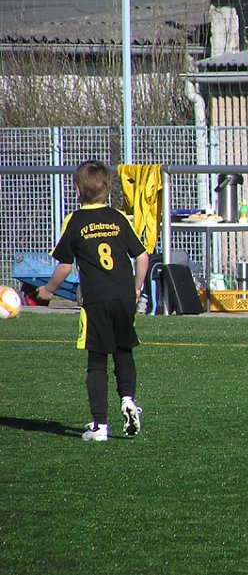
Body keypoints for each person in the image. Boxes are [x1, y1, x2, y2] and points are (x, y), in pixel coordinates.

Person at [37, 160, 149, 441]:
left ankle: (99, 426)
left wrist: (48, 290)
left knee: (97, 360)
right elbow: (142, 256)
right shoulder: (119, 218)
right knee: (123, 350)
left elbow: (64, 266)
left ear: (77, 190)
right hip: (124, 296)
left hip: (96, 300)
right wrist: (136, 289)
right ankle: (128, 400)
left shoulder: (74, 221)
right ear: (109, 190)